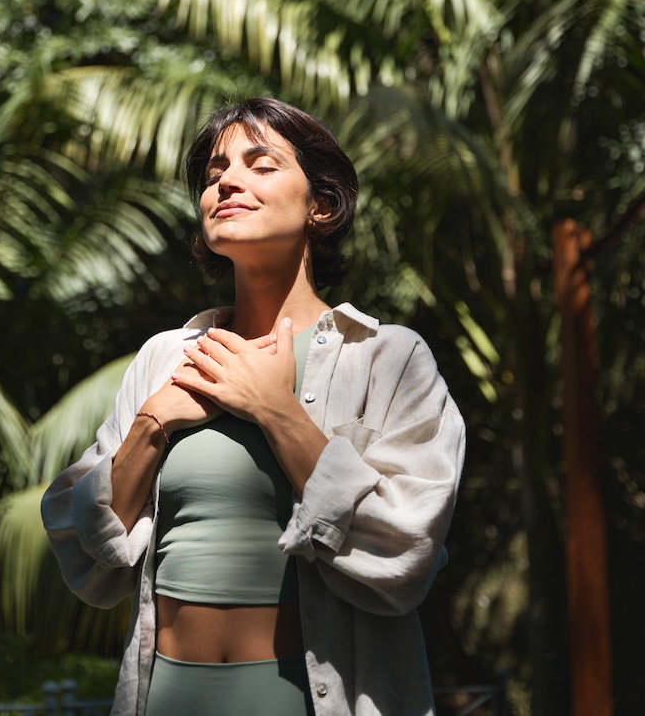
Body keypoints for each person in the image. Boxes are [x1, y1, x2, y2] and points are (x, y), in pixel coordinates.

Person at [41, 97, 466, 716]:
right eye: (215, 173)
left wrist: (276, 409)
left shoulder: (388, 359)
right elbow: (83, 551)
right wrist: (152, 424)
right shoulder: (166, 357)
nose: (227, 182)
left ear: (322, 205)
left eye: (261, 165)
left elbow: (408, 550)